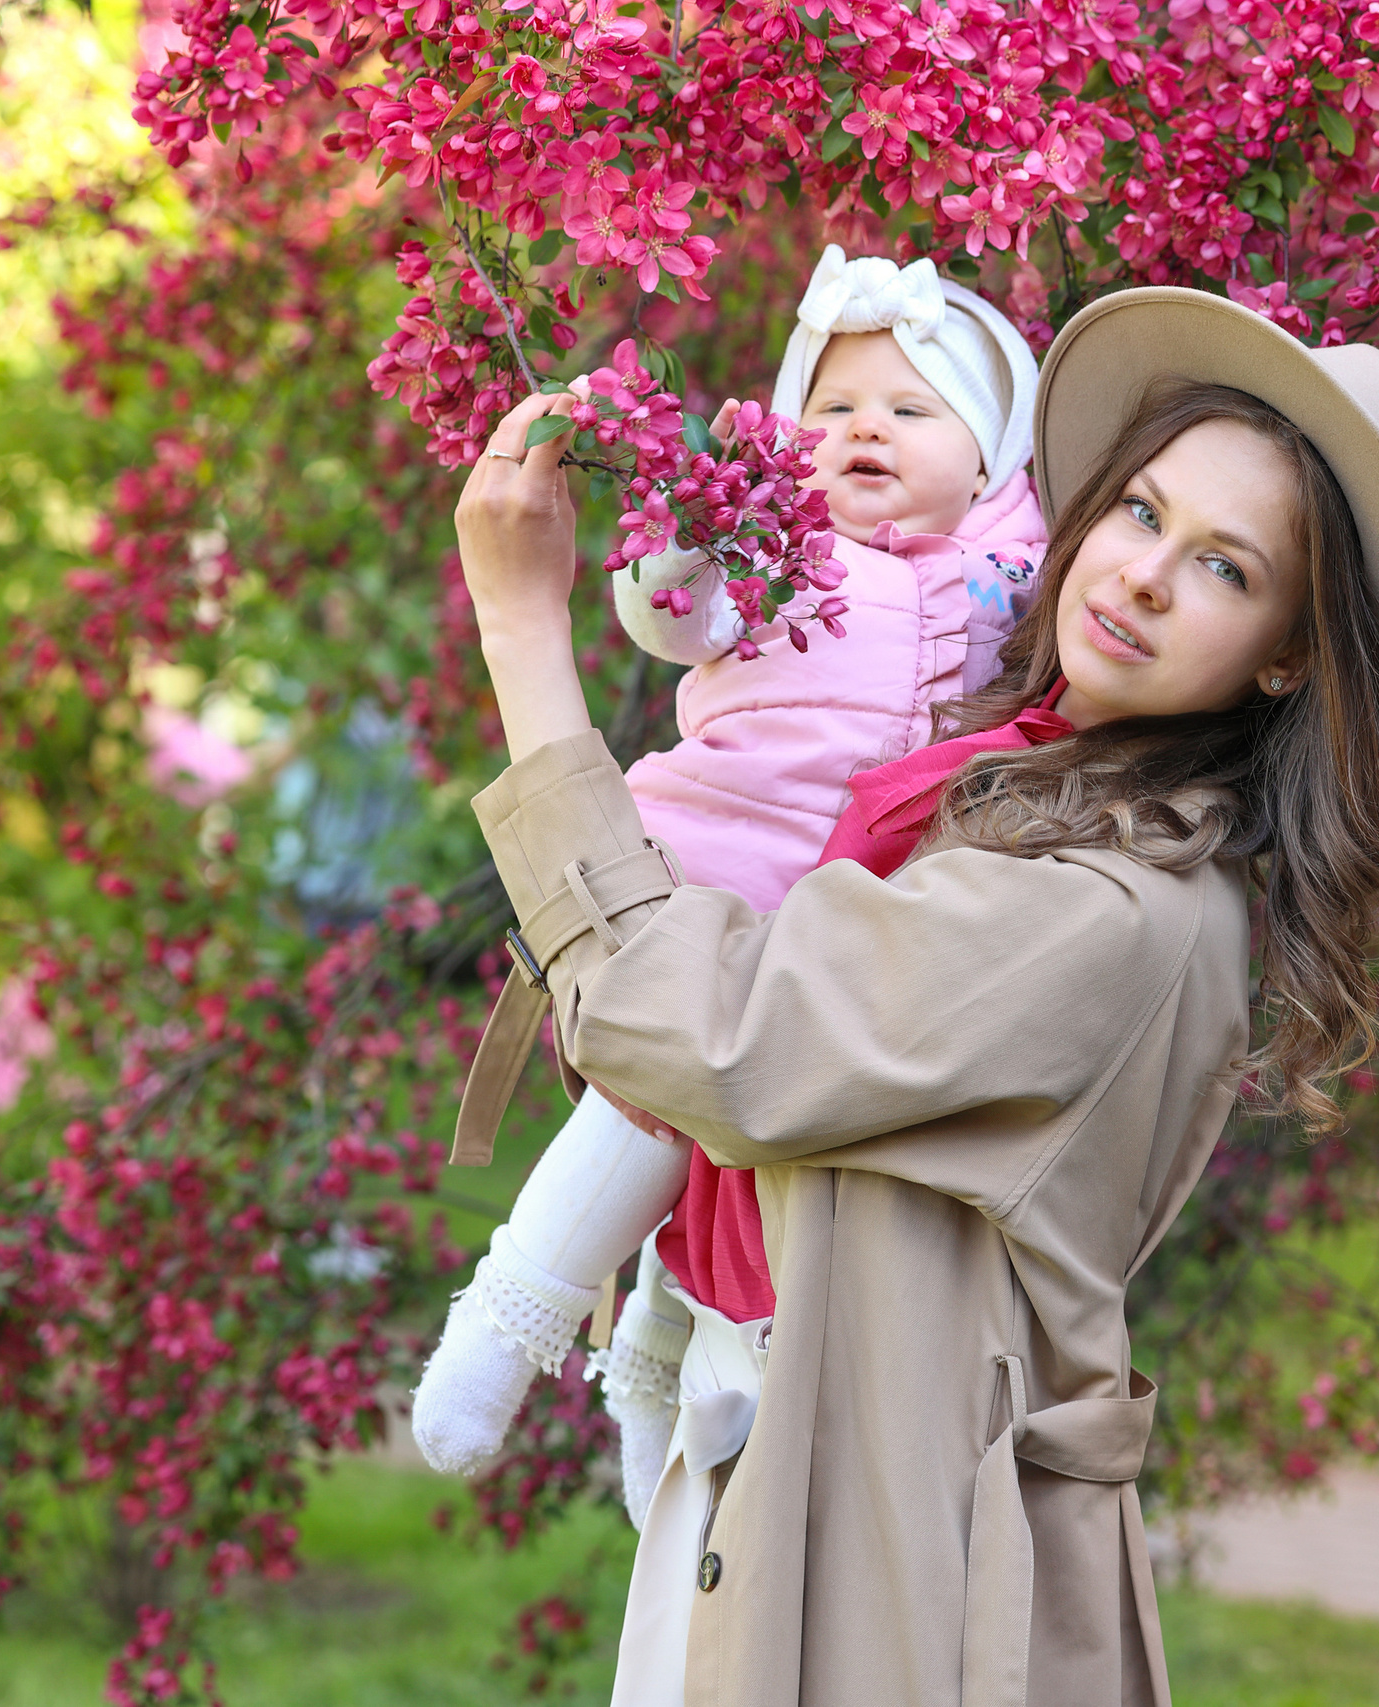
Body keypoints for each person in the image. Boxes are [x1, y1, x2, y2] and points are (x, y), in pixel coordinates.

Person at [451, 285, 1379, 1707]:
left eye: (1229, 568)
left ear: (1291, 650)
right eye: (1143, 511)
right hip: (819, 1497)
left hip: (899, 1580)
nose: (1148, 575)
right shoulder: (1016, 789)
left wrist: (519, 630)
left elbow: (715, 1036)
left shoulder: (1106, 898)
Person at [410, 245, 1045, 1531]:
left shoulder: (1011, 570)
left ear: (989, 461)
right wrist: (682, 542)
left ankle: (648, 1360)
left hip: (853, 899)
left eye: (914, 412)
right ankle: (514, 1303)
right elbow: (674, 612)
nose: (865, 428)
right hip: (723, 856)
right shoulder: (780, 548)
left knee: (723, 1156)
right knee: (649, 1110)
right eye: (832, 409)